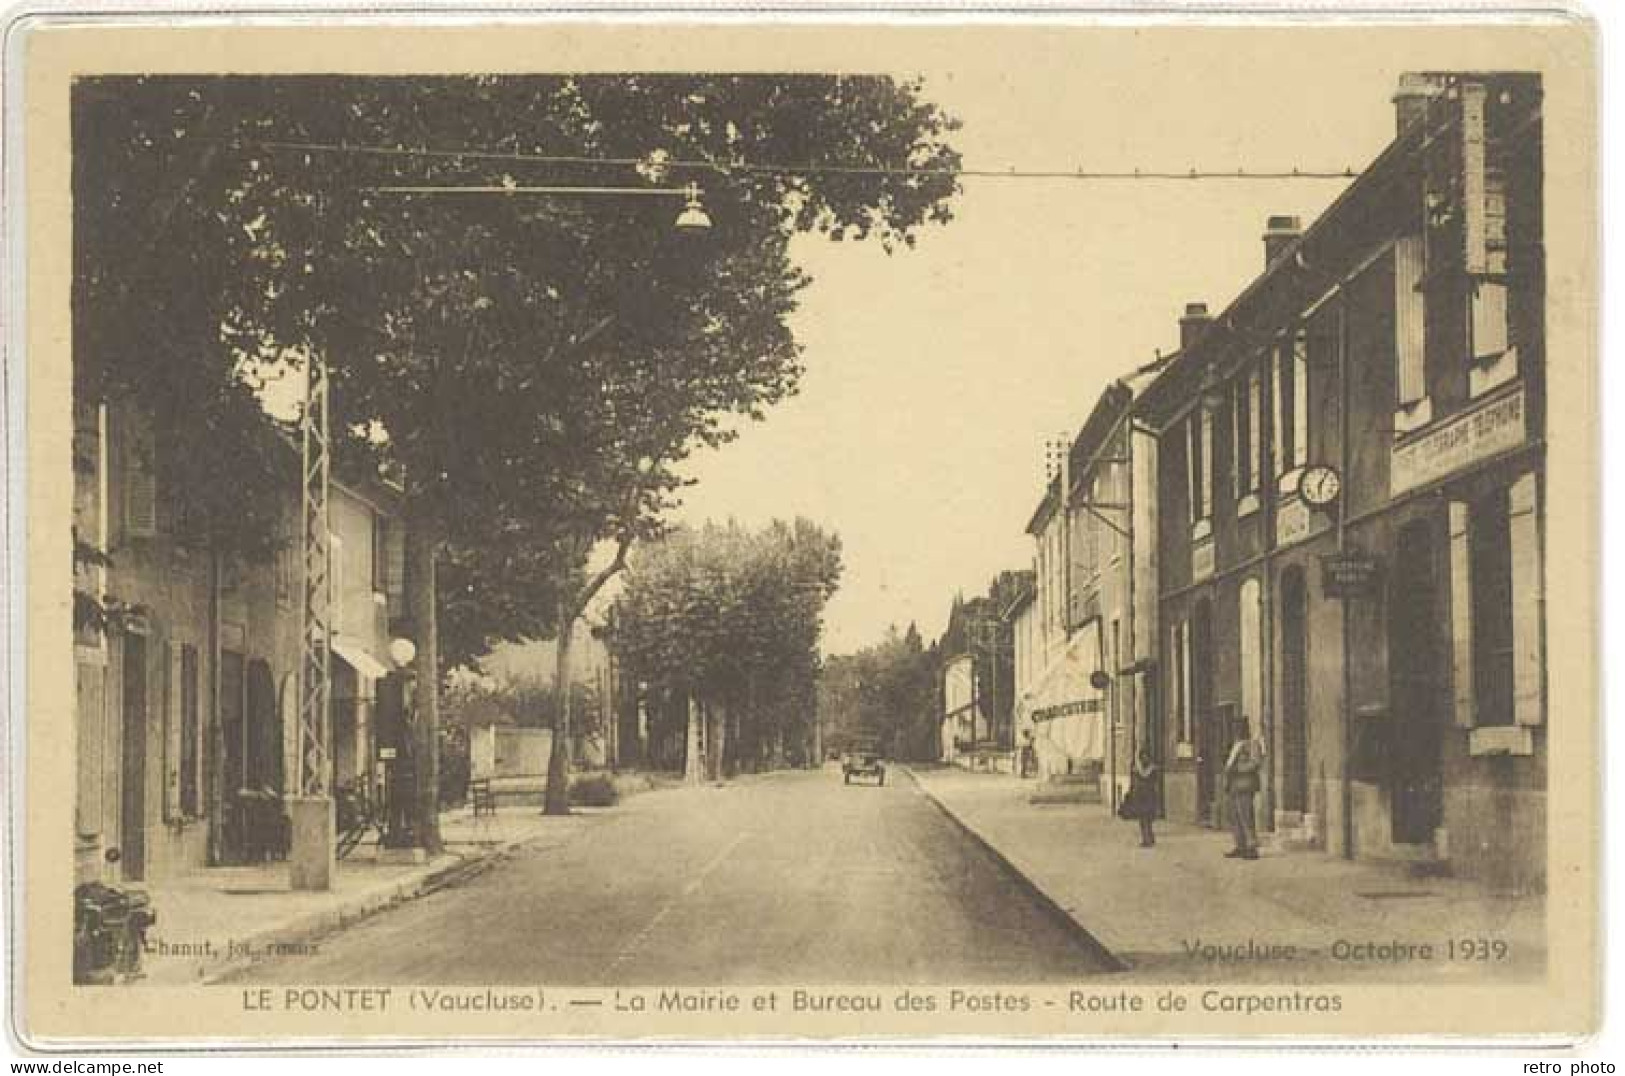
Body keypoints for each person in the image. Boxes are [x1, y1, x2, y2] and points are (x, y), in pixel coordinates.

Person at [1223, 719, 1265, 859]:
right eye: (1236, 728)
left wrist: (1238, 769)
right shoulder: (1236, 745)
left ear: (1246, 729)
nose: (1237, 731)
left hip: (1245, 785)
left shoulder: (1252, 744)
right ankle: (1240, 846)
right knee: (1235, 817)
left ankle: (1251, 847)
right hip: (1233, 786)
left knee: (1246, 817)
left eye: (1240, 728)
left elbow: (1256, 763)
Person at [1119, 748, 1160, 847]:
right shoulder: (1137, 769)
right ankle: (1146, 838)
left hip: (1149, 796)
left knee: (1147, 818)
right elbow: (1133, 782)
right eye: (1142, 756)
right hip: (1140, 796)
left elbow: (1155, 783)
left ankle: (1148, 838)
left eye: (1146, 756)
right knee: (1142, 818)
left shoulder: (1153, 769)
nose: (1144, 758)